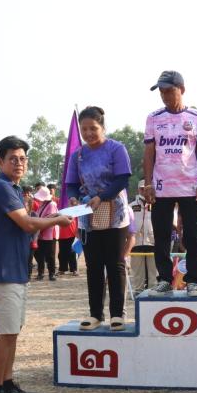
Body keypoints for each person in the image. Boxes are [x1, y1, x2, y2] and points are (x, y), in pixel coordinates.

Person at [0, 135, 71, 393]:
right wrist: (57, 219)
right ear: (0, 162)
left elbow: (26, 225)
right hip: (4, 271)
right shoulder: (1, 187)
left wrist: (49, 219)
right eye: (12, 159)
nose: (19, 163)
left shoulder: (14, 188)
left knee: (13, 332)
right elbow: (27, 224)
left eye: (22, 158)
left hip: (16, 270)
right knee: (6, 333)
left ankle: (8, 384)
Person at [143, 71, 197, 297]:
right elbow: (149, 152)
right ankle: (164, 279)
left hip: (189, 185)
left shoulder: (196, 116)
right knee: (162, 235)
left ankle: (193, 281)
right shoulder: (154, 118)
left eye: (169, 91)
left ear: (182, 89)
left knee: (192, 234)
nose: (165, 96)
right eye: (161, 92)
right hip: (161, 186)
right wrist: (148, 183)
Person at [66, 106, 132, 331]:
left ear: (102, 127)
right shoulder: (78, 155)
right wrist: (73, 198)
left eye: (93, 128)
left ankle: (117, 314)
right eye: (84, 129)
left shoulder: (116, 149)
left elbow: (122, 179)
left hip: (115, 212)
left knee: (115, 264)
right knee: (93, 265)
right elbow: (71, 184)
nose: (88, 133)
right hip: (88, 214)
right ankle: (95, 314)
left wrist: (102, 196)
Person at [128, 180, 157, 293]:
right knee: (137, 270)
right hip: (136, 241)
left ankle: (153, 291)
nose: (144, 191)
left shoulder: (156, 204)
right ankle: (138, 291)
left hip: (152, 241)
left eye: (146, 188)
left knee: (154, 270)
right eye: (142, 189)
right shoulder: (131, 206)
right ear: (138, 189)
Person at [33, 186, 58, 281]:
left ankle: (52, 273)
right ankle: (40, 273)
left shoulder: (52, 204)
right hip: (40, 233)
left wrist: (39, 226)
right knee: (40, 254)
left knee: (50, 255)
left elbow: (50, 219)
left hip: (49, 234)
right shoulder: (42, 204)